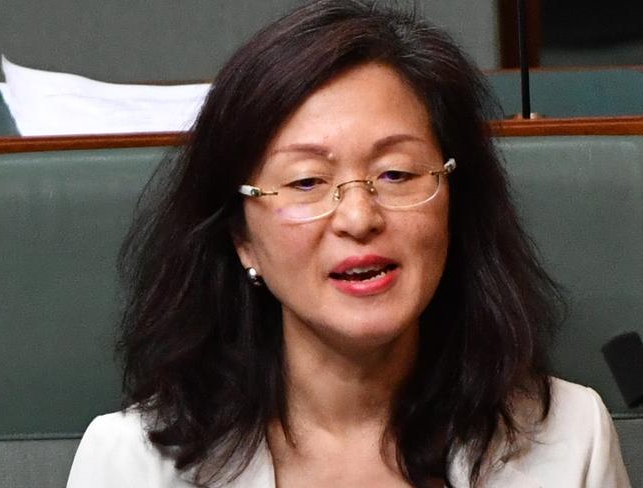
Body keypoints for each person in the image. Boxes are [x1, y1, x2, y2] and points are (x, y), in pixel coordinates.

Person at [66, 1, 631, 487]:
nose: (358, 218)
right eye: (308, 181)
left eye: (397, 174)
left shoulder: (568, 438)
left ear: (454, 202)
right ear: (241, 239)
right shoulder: (130, 462)